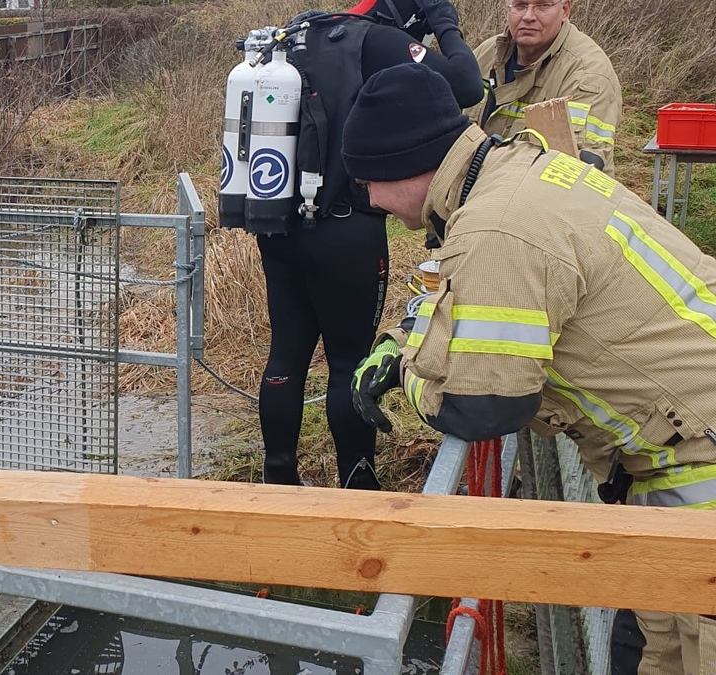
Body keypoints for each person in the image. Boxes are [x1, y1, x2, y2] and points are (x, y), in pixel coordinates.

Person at [344, 62, 716, 675]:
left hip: (698, 482)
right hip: (675, 461)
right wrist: (408, 338)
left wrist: (409, 374)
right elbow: (485, 303)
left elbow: (484, 405)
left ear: (403, 166)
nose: (371, 202)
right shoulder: (515, 171)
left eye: (367, 182)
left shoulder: (497, 225)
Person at [231, 0, 484, 489]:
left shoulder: (300, 32)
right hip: (348, 230)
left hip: (277, 219)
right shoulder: (379, 40)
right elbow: (467, 85)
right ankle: (357, 481)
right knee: (348, 360)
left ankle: (278, 474)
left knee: (285, 353)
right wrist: (445, 27)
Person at [472, 0, 621, 173]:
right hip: (480, 190)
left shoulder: (588, 76)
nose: (528, 17)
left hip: (553, 194)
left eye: (542, 6)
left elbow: (572, 171)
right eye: (520, 5)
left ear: (565, 10)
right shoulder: (485, 54)